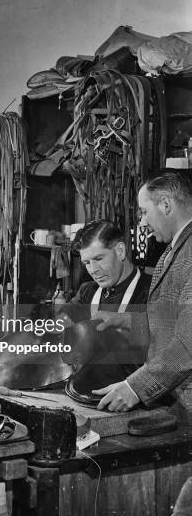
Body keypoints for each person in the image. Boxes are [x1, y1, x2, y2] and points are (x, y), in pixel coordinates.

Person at [94, 169, 192, 418]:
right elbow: (174, 324)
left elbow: (188, 345)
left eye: (145, 211)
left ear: (166, 205)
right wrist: (127, 322)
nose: (143, 222)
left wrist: (134, 388)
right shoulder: (175, 249)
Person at [56, 220, 151, 399]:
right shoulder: (88, 291)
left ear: (120, 251)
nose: (94, 270)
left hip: (134, 396)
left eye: (99, 259)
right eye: (87, 262)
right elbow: (65, 316)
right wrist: (61, 326)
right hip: (88, 392)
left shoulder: (151, 290)